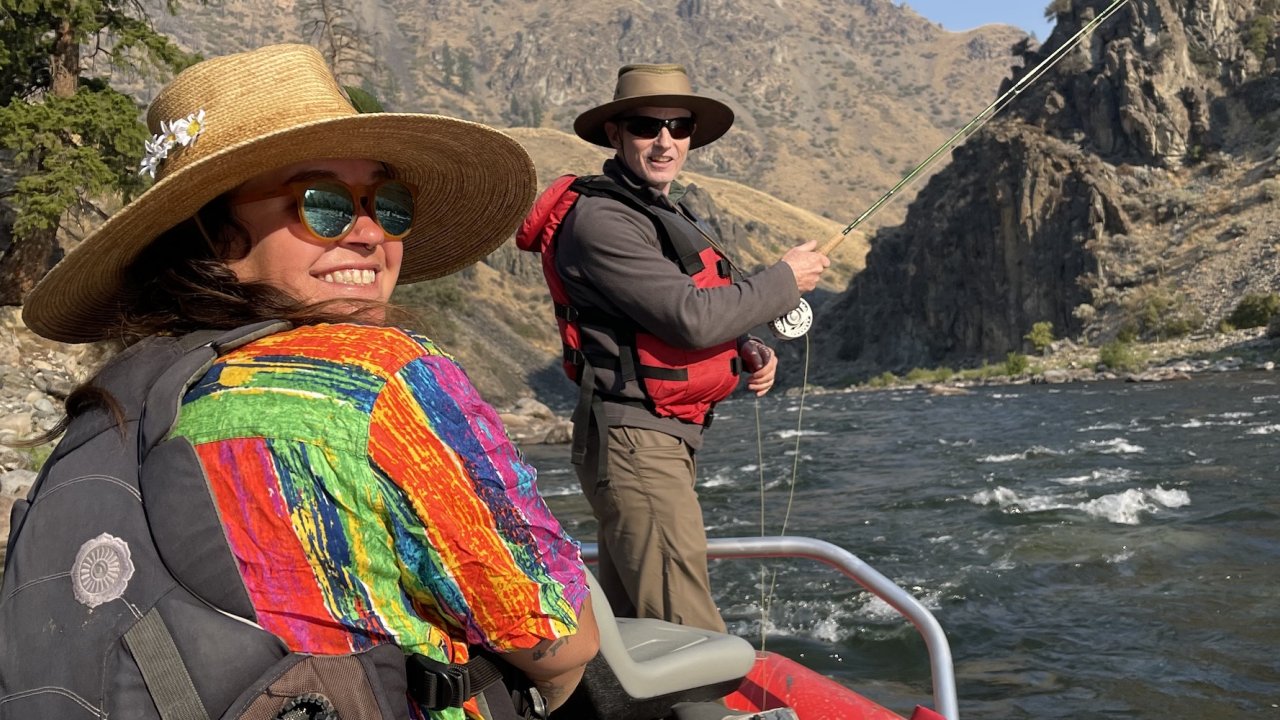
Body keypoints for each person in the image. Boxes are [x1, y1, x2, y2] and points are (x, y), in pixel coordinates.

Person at [9, 44, 596, 720]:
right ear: (215, 233)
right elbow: (557, 639)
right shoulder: (380, 376)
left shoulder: (118, 399)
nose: (369, 233)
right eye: (322, 202)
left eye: (388, 203)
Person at [548, 64, 831, 633]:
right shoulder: (603, 221)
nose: (665, 141)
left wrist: (744, 343)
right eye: (645, 126)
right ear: (615, 134)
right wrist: (785, 280)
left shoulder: (660, 212)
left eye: (678, 127)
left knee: (641, 633)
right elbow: (690, 318)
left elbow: (683, 310)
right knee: (690, 637)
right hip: (637, 445)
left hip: (654, 440)